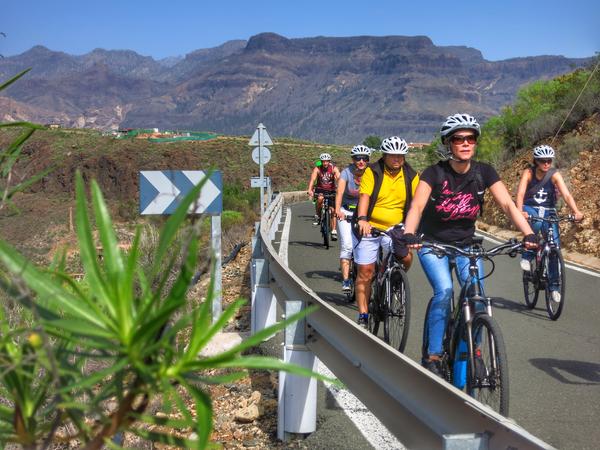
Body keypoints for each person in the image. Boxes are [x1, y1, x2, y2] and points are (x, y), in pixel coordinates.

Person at [401, 113, 537, 376]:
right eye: (458, 139)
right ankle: (433, 355)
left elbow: (508, 205)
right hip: (433, 245)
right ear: (448, 143)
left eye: (470, 138)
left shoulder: (484, 172)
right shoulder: (434, 173)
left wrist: (528, 234)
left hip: (466, 244)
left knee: (476, 297)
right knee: (444, 291)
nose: (465, 143)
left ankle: (474, 352)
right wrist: (409, 234)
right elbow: (417, 206)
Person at [354, 136, 419, 328]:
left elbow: (418, 204)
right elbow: (365, 196)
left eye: (401, 155)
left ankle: (395, 280)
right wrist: (363, 219)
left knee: (406, 257)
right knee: (365, 272)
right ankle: (364, 315)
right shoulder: (372, 172)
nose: (397, 159)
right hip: (371, 225)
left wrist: (415, 229)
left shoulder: (411, 175)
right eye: (393, 155)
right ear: (385, 155)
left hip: (396, 227)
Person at [515, 144, 583, 302]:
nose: (546, 163)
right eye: (542, 160)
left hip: (549, 210)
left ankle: (554, 287)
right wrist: (520, 211)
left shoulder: (554, 175)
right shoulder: (529, 172)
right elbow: (520, 194)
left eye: (549, 160)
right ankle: (528, 254)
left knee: (554, 247)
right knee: (537, 222)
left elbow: (566, 195)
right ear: (536, 161)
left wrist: (576, 211)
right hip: (529, 207)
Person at [335, 144, 372, 292]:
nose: (361, 161)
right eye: (358, 158)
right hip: (347, 213)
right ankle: (345, 280)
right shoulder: (346, 173)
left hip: (364, 215)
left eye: (364, 158)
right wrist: (338, 210)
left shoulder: (372, 173)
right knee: (348, 246)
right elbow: (339, 192)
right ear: (353, 159)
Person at [307, 153, 340, 240]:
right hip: (320, 189)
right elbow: (312, 179)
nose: (325, 163)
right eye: (323, 162)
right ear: (321, 162)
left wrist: (340, 188)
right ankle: (318, 216)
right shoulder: (317, 168)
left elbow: (339, 178)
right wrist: (310, 189)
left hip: (331, 190)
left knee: (333, 210)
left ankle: (333, 231)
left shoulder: (334, 168)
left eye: (327, 161)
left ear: (329, 161)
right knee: (320, 199)